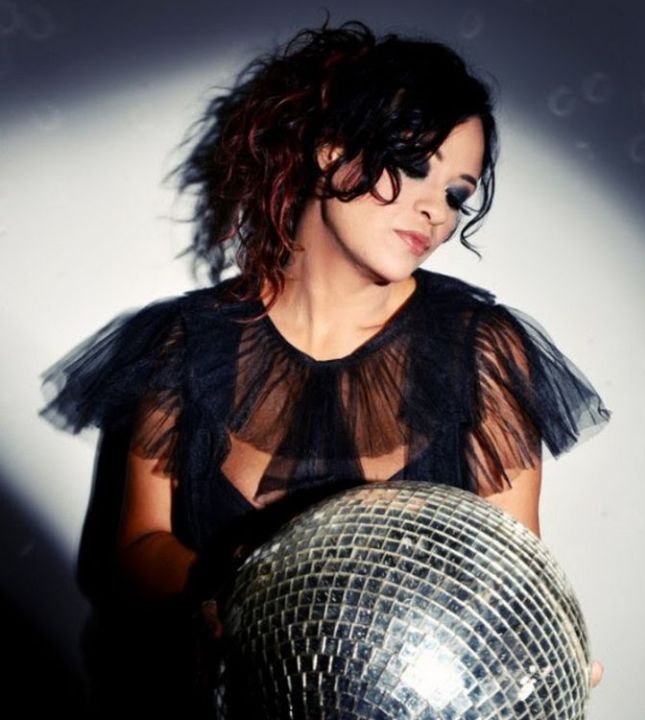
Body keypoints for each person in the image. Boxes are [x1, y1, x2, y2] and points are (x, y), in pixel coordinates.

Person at [41, 20, 610, 719]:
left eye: (457, 194)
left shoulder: (479, 350)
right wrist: (244, 583)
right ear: (330, 150)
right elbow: (132, 556)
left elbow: (508, 575)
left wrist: (543, 654)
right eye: (413, 165)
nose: (435, 211)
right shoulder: (188, 344)